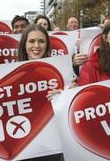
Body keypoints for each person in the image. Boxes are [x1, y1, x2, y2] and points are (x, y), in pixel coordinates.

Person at [17, 24, 63, 161]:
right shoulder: (11, 73)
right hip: (22, 141)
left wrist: (64, 95)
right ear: (24, 44)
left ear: (47, 45)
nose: (36, 46)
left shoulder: (61, 71)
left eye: (41, 41)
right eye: (31, 41)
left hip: (51, 142)